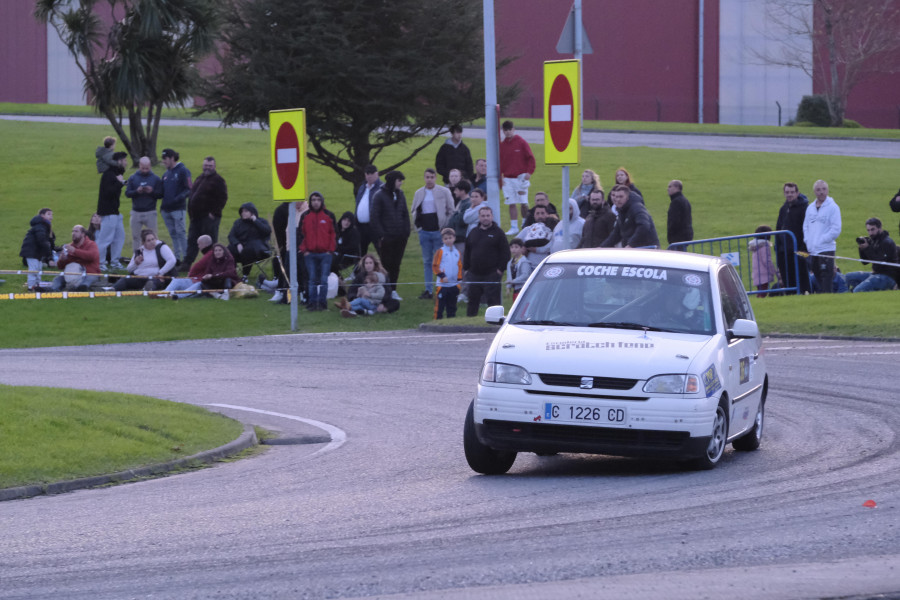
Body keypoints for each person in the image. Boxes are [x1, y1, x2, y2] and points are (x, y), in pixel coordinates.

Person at [411, 168, 455, 299]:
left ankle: (442, 287)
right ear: (424, 178)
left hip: (438, 231)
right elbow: (414, 209)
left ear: (435, 178)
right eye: (427, 177)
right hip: (424, 231)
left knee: (441, 261)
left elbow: (451, 210)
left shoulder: (444, 191)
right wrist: (417, 225)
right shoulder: (419, 193)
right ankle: (428, 289)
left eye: (431, 177)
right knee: (427, 261)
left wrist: (444, 226)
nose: (429, 179)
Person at [370, 170, 410, 301]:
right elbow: (375, 217)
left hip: (400, 238)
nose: (401, 183)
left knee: (396, 265)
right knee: (386, 265)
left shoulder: (401, 195)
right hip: (386, 238)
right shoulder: (379, 196)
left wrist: (406, 232)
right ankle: (385, 290)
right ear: (393, 181)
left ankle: (393, 290)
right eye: (399, 181)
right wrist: (382, 235)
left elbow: (405, 214)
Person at [464, 206, 511, 316]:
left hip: (492, 274)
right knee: (472, 301)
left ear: (492, 217)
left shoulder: (498, 233)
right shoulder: (473, 232)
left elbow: (506, 253)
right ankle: (470, 323)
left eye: (488, 216)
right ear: (479, 217)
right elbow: (467, 251)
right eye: (483, 216)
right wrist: (466, 269)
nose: (485, 218)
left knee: (493, 302)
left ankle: (495, 322)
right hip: (474, 274)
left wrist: (500, 270)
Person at [185, 156, 228, 267]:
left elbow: (223, 198)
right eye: (205, 165)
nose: (207, 168)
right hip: (196, 218)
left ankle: (212, 263)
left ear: (214, 167)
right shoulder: (200, 178)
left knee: (209, 242)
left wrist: (213, 212)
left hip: (209, 218)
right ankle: (187, 263)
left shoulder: (218, 180)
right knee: (192, 240)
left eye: (210, 166)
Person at [803, 179, 842, 294]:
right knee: (818, 276)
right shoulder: (810, 208)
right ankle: (824, 298)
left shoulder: (833, 207)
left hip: (826, 249)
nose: (821, 192)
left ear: (827, 190)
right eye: (818, 189)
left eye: (824, 189)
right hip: (813, 250)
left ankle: (828, 297)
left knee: (826, 278)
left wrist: (822, 240)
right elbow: (806, 226)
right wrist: (808, 241)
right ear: (814, 191)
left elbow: (836, 229)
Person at [299, 192, 336, 311]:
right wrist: (304, 250)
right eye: (313, 200)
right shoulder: (305, 216)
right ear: (310, 202)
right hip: (310, 254)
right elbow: (301, 234)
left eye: (318, 200)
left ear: (322, 201)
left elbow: (334, 234)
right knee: (312, 279)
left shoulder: (329, 215)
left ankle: (322, 304)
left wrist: (330, 250)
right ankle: (312, 304)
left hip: (325, 254)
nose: (316, 202)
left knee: (324, 280)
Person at [499, 120, 536, 235]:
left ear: (514, 130)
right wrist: (500, 176)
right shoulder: (502, 145)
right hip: (507, 179)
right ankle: (514, 226)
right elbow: (499, 161)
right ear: (503, 131)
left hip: (520, 178)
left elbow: (531, 158)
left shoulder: (521, 142)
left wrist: (529, 172)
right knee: (511, 202)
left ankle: (525, 224)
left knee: (523, 202)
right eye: (506, 130)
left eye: (510, 130)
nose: (508, 132)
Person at [845, 218, 899, 293]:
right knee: (847, 277)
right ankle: (850, 293)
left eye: (872, 229)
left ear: (880, 228)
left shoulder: (886, 242)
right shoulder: (874, 240)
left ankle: (858, 291)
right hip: (875, 274)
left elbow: (879, 262)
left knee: (858, 290)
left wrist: (867, 248)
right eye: (868, 230)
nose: (870, 233)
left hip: (888, 276)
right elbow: (865, 262)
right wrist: (861, 248)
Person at [775, 182, 811, 295]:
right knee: (787, 278)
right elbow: (778, 228)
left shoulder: (804, 208)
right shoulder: (783, 208)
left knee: (802, 277)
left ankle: (805, 294)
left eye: (792, 192)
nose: (789, 195)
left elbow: (807, 229)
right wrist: (778, 247)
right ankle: (791, 296)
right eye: (787, 192)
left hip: (799, 250)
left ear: (797, 193)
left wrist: (803, 248)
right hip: (784, 251)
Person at [160, 148, 192, 267]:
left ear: (172, 158)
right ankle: (177, 258)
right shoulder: (166, 174)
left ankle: (186, 259)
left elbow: (189, 188)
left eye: (165, 159)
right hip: (166, 210)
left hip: (178, 209)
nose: (164, 161)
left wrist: (177, 199)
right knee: (173, 234)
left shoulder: (183, 171)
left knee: (181, 233)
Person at [601, 184, 660, 248]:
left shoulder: (637, 208)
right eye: (616, 197)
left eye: (621, 197)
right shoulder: (622, 211)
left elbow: (644, 226)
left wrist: (631, 244)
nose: (617, 199)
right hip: (634, 249)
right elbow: (616, 234)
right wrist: (602, 247)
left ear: (627, 197)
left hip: (646, 249)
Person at [96, 151, 128, 271]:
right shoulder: (109, 174)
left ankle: (115, 262)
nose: (126, 162)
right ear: (119, 161)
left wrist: (123, 182)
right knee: (105, 239)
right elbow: (109, 192)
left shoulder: (115, 174)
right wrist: (120, 183)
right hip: (108, 212)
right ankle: (100, 263)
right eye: (124, 160)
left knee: (119, 237)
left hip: (115, 212)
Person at [124, 156, 163, 252]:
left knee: (153, 237)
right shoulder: (133, 178)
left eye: (147, 168)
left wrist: (152, 192)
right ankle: (137, 257)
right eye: (143, 168)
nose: (145, 170)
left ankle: (154, 256)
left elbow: (161, 194)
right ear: (139, 166)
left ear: (150, 166)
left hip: (150, 211)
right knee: (136, 237)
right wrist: (136, 191)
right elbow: (127, 193)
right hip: (136, 212)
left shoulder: (156, 179)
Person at [227, 202, 272, 277]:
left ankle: (245, 275)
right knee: (229, 249)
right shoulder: (238, 223)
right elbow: (231, 236)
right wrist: (237, 243)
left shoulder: (261, 221)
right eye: (242, 211)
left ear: (252, 212)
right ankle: (232, 274)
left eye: (246, 211)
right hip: (240, 249)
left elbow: (267, 231)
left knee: (248, 251)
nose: (243, 213)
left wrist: (255, 221)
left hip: (257, 251)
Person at [51, 224, 100, 291]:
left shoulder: (91, 244)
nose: (73, 233)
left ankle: (82, 288)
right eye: (73, 231)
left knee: (89, 278)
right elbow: (60, 267)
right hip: (74, 274)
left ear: (83, 234)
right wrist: (62, 259)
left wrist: (75, 251)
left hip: (89, 273)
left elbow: (91, 256)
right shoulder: (69, 246)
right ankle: (53, 289)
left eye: (76, 231)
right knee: (58, 279)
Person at [166, 234, 213, 299]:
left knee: (195, 285)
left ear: (204, 244)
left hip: (202, 283)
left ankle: (174, 296)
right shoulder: (209, 254)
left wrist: (191, 275)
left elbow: (197, 266)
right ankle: (164, 293)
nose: (198, 247)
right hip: (198, 280)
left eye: (199, 244)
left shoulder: (209, 254)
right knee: (177, 281)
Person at [19, 208, 55, 291]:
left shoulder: (43, 226)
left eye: (52, 215)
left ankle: (37, 286)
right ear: (42, 215)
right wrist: (49, 255)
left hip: (36, 252)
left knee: (38, 269)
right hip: (32, 252)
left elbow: (47, 241)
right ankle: (31, 288)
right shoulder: (40, 226)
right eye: (49, 214)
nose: (51, 217)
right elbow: (42, 240)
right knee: (34, 270)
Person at [431, 228, 463, 319]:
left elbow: (459, 266)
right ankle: (437, 322)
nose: (448, 240)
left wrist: (459, 279)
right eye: (445, 238)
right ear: (442, 240)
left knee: (452, 306)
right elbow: (435, 266)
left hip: (454, 285)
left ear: (454, 238)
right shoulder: (440, 252)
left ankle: (451, 321)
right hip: (443, 285)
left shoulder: (457, 252)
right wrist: (442, 276)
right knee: (440, 306)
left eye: (450, 238)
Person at [354, 165, 382, 256]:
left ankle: (386, 270)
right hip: (361, 227)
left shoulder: (382, 188)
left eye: (372, 174)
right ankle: (362, 270)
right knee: (360, 253)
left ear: (377, 174)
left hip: (375, 228)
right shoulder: (362, 187)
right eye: (367, 174)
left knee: (382, 252)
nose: (369, 176)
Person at [748, 226, 778, 297]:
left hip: (757, 273)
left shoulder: (755, 246)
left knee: (760, 291)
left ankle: (759, 300)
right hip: (764, 273)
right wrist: (773, 271)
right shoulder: (764, 246)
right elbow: (766, 260)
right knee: (763, 292)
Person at [666, 179, 693, 247]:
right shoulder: (685, 200)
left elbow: (674, 221)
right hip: (686, 236)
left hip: (678, 238)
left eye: (670, 186)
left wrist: (671, 234)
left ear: (677, 188)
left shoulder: (676, 202)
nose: (667, 189)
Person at [334, 211, 362, 275]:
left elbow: (352, 248)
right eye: (344, 220)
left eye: (349, 221)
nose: (346, 222)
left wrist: (337, 248)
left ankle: (339, 281)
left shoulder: (354, 233)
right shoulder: (335, 229)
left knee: (329, 262)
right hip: (334, 254)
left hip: (347, 257)